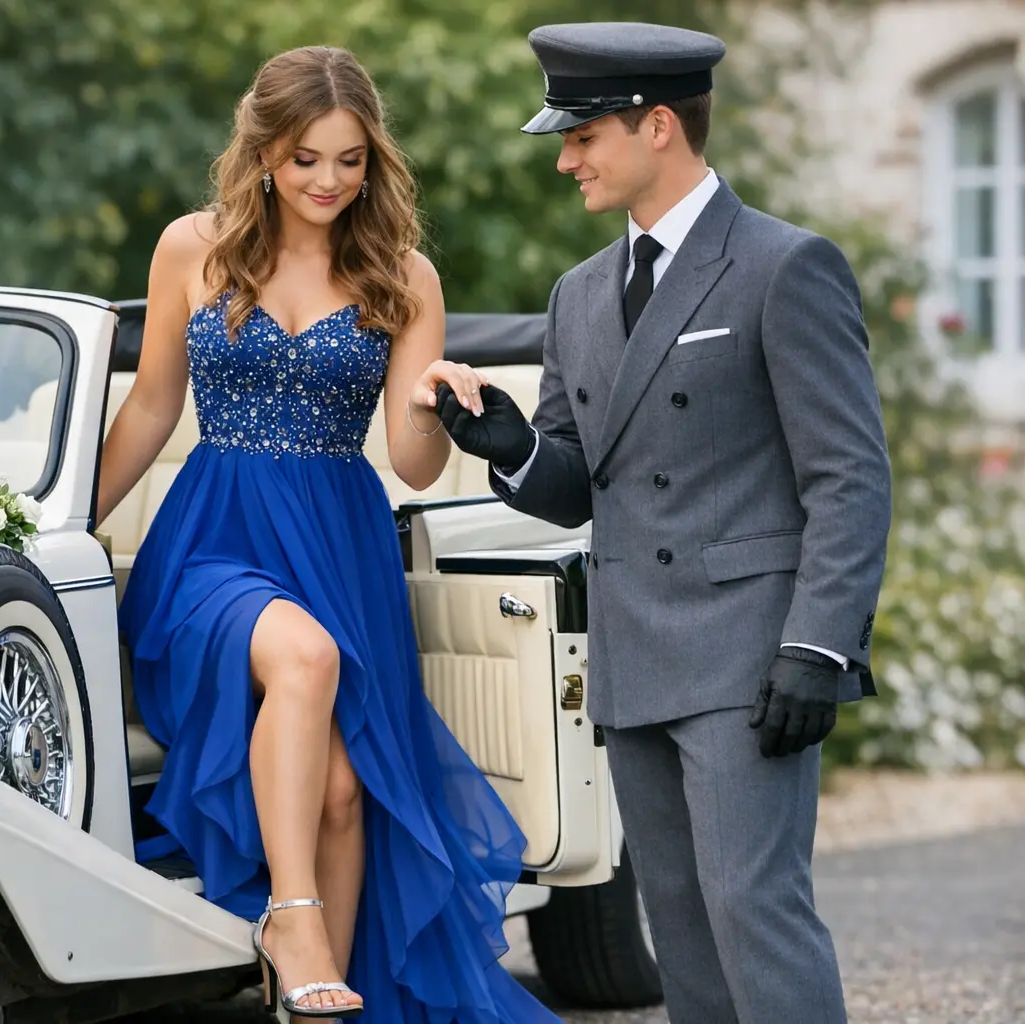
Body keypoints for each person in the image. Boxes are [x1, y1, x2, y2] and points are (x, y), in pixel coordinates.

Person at [434, 21, 893, 1024]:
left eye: (583, 135)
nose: (564, 159)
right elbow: (579, 485)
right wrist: (508, 446)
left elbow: (851, 477)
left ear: (656, 127)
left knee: (754, 910)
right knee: (681, 927)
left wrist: (817, 645)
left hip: (749, 653)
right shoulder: (579, 295)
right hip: (635, 653)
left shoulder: (785, 265)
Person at [98, 43, 562, 1023]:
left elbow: (413, 458)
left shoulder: (402, 274)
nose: (329, 181)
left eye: (350, 160)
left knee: (348, 797)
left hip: (340, 548)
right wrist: (55, 524)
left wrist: (443, 408)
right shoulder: (196, 246)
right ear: (264, 150)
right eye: (308, 158)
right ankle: (292, 919)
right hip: (212, 541)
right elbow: (148, 408)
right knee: (302, 661)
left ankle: (315, 1000)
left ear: (373, 160)